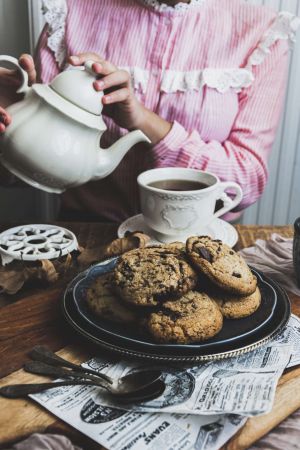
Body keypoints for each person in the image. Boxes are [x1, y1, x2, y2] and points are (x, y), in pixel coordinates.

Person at [0, 0, 299, 223]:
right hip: (88, 234)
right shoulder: (71, 13)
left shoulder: (261, 32)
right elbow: (28, 171)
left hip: (202, 243)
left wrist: (144, 121)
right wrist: (17, 122)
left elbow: (247, 181)